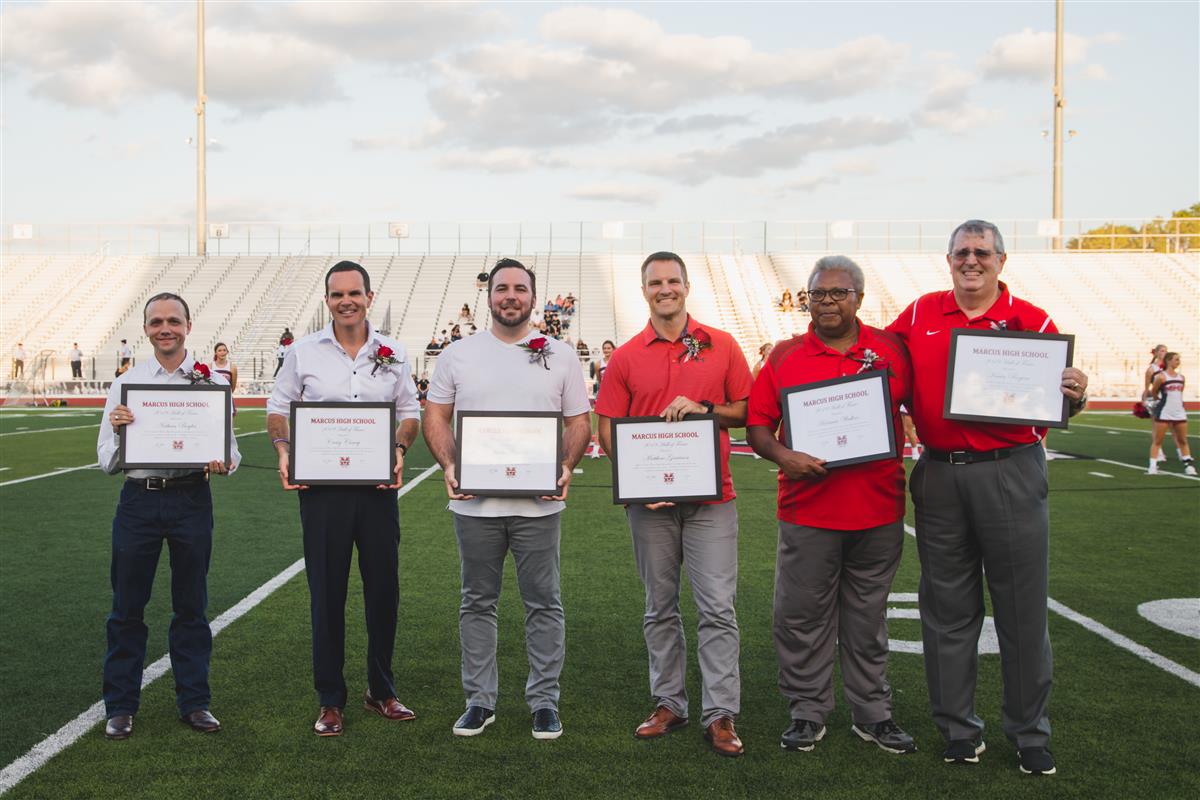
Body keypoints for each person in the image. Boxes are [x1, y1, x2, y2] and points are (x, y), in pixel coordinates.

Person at [886, 219, 1089, 776]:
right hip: (940, 472)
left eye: (981, 252)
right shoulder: (920, 312)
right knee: (947, 608)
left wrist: (1075, 393)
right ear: (947, 259)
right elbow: (873, 362)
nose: (970, 261)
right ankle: (958, 730)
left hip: (1010, 470)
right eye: (961, 253)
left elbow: (1060, 404)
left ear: (1002, 260)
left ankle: (1029, 733)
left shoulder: (1033, 320)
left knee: (1022, 609)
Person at [747, 256, 916, 755]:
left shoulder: (890, 349)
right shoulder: (783, 355)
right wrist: (785, 455)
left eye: (838, 293)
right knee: (800, 616)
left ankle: (873, 713)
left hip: (879, 510)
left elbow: (922, 407)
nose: (826, 302)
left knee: (867, 618)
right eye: (817, 294)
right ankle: (807, 710)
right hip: (808, 510)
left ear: (858, 298)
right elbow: (757, 426)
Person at [423, 258, 591, 740]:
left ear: (534, 299)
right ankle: (479, 700)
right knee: (477, 602)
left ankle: (544, 701)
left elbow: (579, 420)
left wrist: (566, 466)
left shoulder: (559, 353)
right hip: (475, 505)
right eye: (501, 289)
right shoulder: (458, 353)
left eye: (520, 288)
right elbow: (436, 416)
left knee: (544, 602)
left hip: (538, 505)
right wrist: (450, 465)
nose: (510, 296)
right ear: (488, 296)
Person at [596, 252, 753, 757]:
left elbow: (748, 412)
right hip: (652, 505)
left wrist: (705, 408)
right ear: (644, 291)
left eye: (672, 281)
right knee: (659, 608)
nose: (665, 289)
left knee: (717, 608)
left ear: (686, 286)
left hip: (713, 499)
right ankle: (669, 702)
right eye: (654, 283)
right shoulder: (625, 356)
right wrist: (641, 481)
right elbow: (607, 427)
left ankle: (720, 713)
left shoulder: (722, 345)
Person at [267, 261, 421, 737]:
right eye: (337, 295)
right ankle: (330, 699)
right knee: (327, 594)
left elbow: (409, 411)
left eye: (354, 293)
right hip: (323, 493)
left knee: (383, 592)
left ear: (369, 297)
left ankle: (381, 690)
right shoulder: (303, 351)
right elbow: (278, 408)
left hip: (377, 490)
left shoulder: (394, 351)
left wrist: (398, 449)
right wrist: (284, 449)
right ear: (327, 300)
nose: (346, 301)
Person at [97, 292, 239, 740]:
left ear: (188, 326)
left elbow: (231, 452)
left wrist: (222, 461)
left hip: (191, 498)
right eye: (156, 321)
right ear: (146, 329)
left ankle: (194, 702)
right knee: (127, 608)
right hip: (138, 500)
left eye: (173, 321)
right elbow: (105, 459)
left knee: (191, 607)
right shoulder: (127, 383)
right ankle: (120, 706)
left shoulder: (212, 382)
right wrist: (121, 432)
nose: (165, 328)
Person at [1148, 352, 1195, 475]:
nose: (1178, 362)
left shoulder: (1181, 377)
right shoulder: (1161, 377)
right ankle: (1152, 467)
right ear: (1168, 361)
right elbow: (1154, 392)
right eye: (1176, 359)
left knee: (1183, 440)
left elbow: (1180, 393)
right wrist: (1158, 402)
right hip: (1164, 411)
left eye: (1179, 360)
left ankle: (1188, 465)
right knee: (1158, 440)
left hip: (1179, 412)